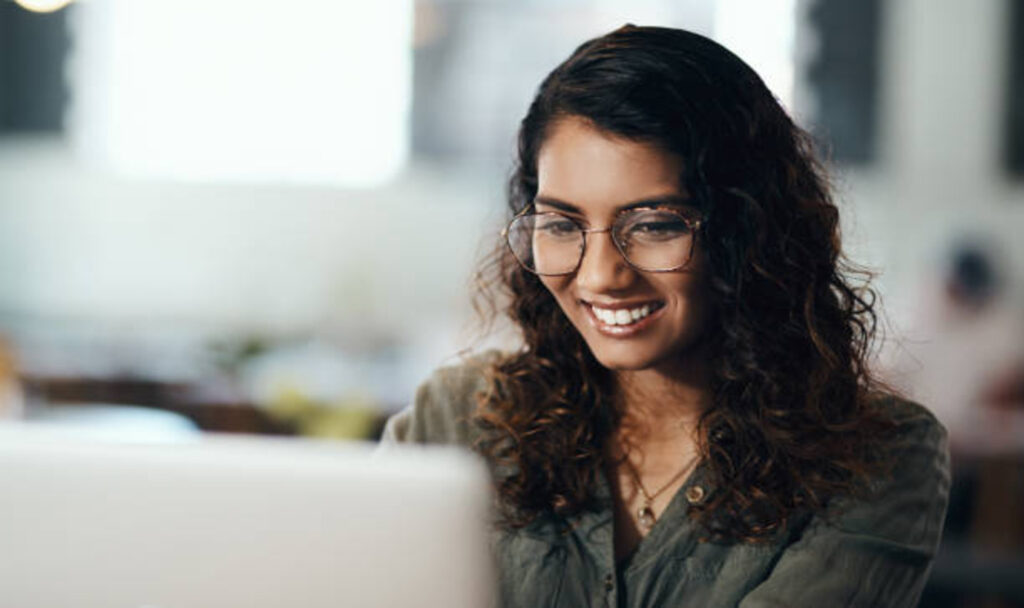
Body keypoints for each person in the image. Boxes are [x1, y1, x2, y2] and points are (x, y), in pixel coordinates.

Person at [381, 25, 950, 607]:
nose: (601, 275)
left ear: (749, 229)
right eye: (561, 225)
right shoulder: (454, 420)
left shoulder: (873, 459)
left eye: (654, 225)